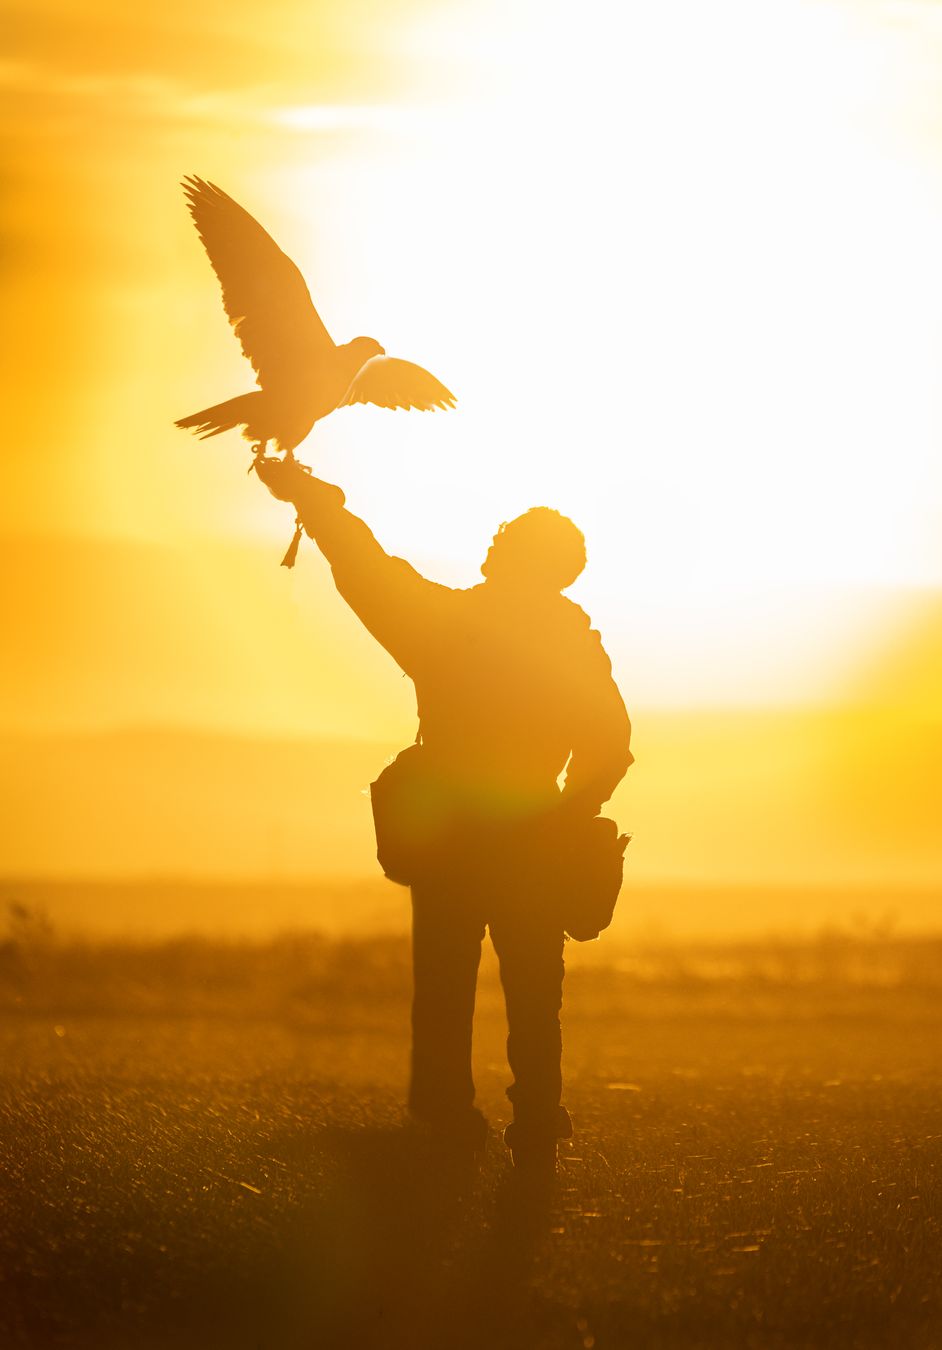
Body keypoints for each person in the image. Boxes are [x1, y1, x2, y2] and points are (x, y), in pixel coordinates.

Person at [256, 458, 633, 1172]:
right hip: (534, 833)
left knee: (444, 982)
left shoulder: (448, 623)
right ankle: (534, 1125)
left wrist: (316, 501)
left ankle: (446, 1118)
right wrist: (571, 813)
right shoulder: (574, 645)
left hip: (453, 832)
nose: (491, 542)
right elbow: (610, 743)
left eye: (505, 537)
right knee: (533, 987)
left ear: (521, 558)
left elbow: (369, 571)